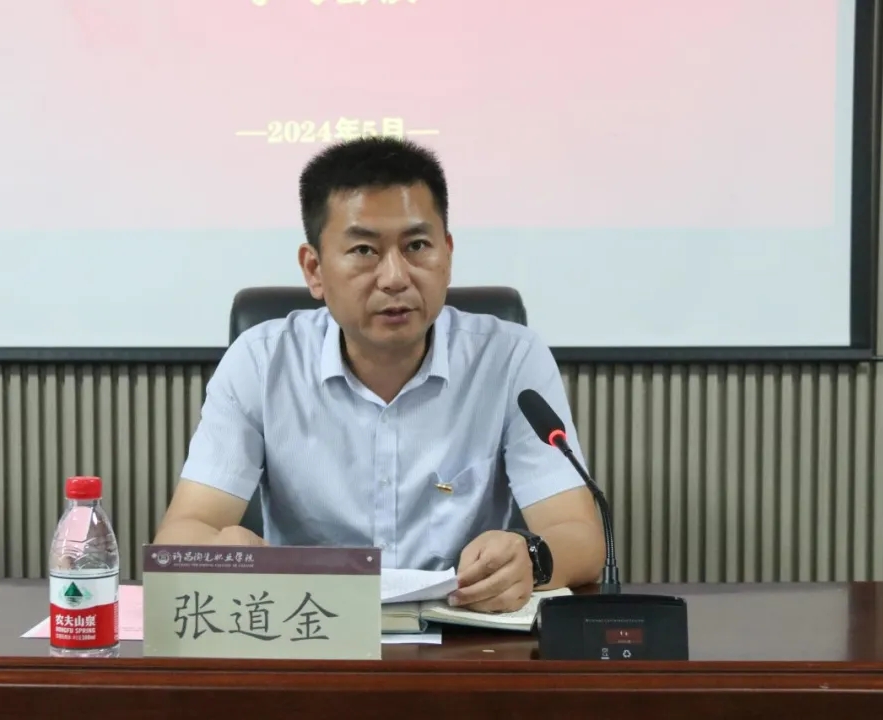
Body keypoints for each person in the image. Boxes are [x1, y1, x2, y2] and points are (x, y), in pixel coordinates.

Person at [154, 137, 604, 613]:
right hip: (312, 628)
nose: (394, 277)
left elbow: (579, 535)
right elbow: (184, 532)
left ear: (447, 255)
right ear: (314, 269)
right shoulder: (261, 362)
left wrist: (531, 559)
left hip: (464, 634)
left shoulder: (510, 358)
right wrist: (220, 553)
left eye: (417, 246)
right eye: (365, 250)